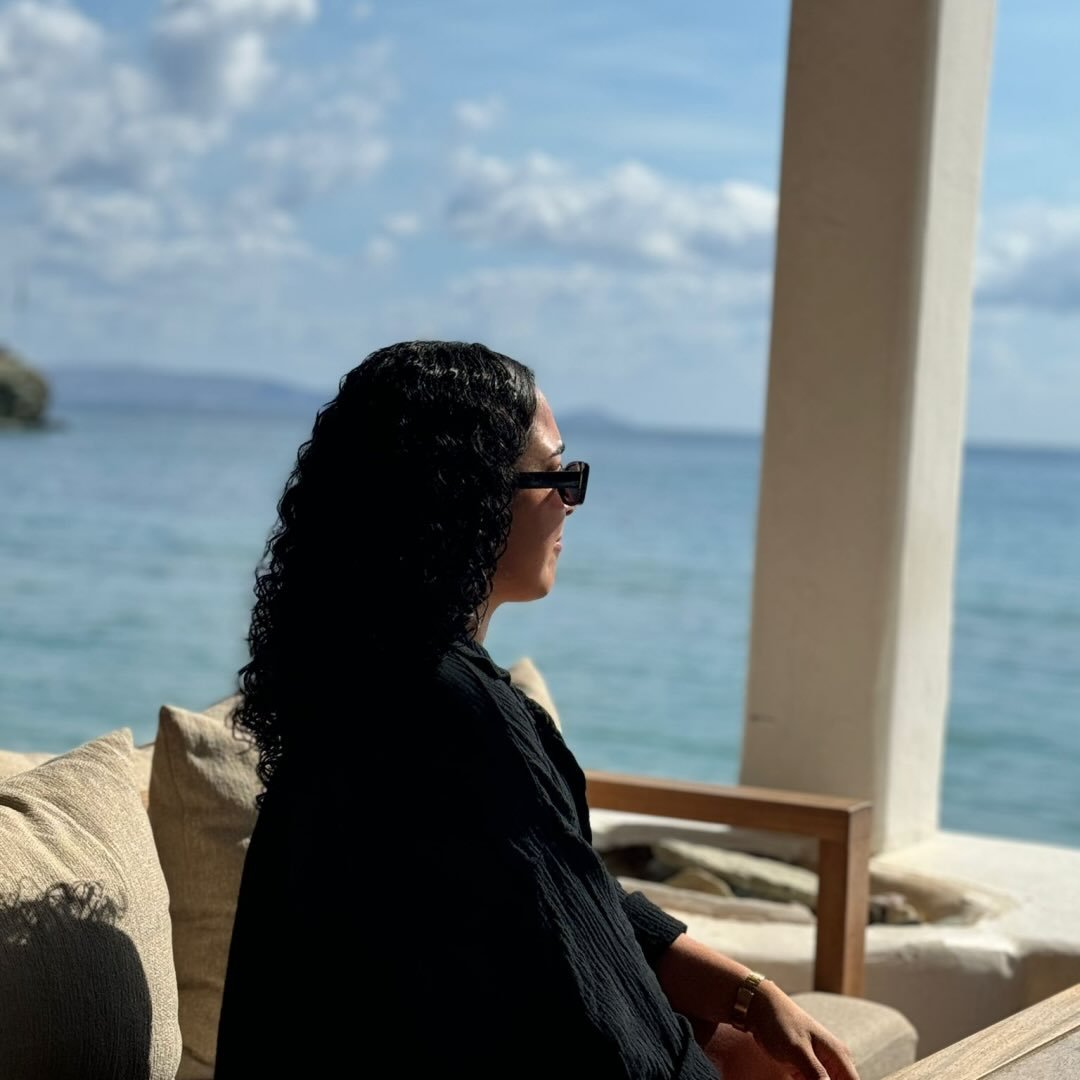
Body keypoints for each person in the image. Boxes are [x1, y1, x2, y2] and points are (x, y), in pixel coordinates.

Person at [215, 340, 860, 1079]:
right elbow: (597, 1012)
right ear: (463, 499)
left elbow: (574, 897)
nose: (570, 501)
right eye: (555, 476)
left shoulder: (366, 677)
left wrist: (749, 995)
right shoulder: (450, 713)